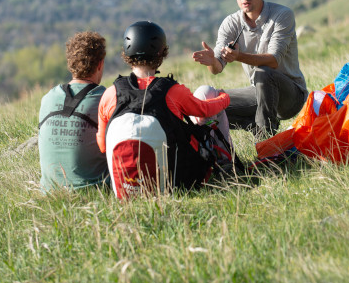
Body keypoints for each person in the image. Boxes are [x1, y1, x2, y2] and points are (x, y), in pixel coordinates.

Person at [96, 21, 233, 198]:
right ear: (161, 53)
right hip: (175, 184)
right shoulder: (172, 91)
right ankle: (227, 167)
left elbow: (102, 146)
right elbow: (205, 110)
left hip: (124, 187)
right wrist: (224, 98)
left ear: (126, 52)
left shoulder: (110, 94)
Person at [192, 0, 308, 137]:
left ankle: (266, 143)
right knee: (207, 103)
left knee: (263, 72)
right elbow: (217, 69)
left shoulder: (282, 15)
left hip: (290, 97)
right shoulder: (230, 23)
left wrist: (238, 56)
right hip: (258, 92)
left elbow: (273, 60)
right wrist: (212, 62)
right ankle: (250, 128)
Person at [38, 31, 109, 192]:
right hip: (94, 192)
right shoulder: (106, 98)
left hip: (49, 193)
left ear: (70, 63)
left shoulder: (48, 98)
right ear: (100, 64)